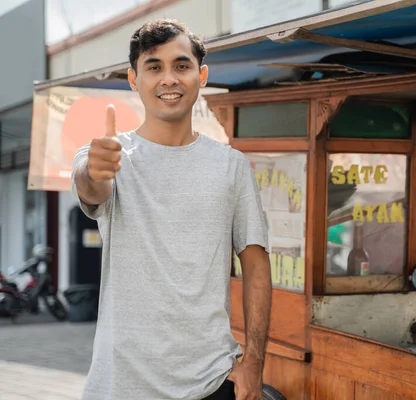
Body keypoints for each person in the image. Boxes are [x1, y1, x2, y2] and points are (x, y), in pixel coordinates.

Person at [71, 19, 272, 400]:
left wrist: (255, 363)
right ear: (134, 79)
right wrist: (94, 170)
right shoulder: (109, 154)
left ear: (202, 75)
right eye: (153, 67)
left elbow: (256, 263)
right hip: (121, 384)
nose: (169, 79)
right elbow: (92, 187)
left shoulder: (231, 166)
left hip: (212, 381)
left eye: (182, 66)